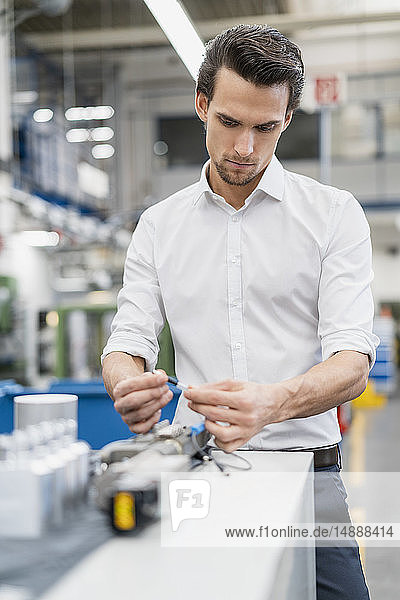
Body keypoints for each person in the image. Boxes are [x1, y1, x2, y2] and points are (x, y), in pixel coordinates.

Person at [102, 24, 378, 599]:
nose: (244, 149)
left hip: (310, 473)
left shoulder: (333, 216)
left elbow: (352, 360)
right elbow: (128, 339)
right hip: (197, 473)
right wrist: (128, 383)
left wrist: (272, 403)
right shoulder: (158, 227)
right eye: (229, 122)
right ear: (202, 105)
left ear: (288, 119)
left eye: (265, 128)